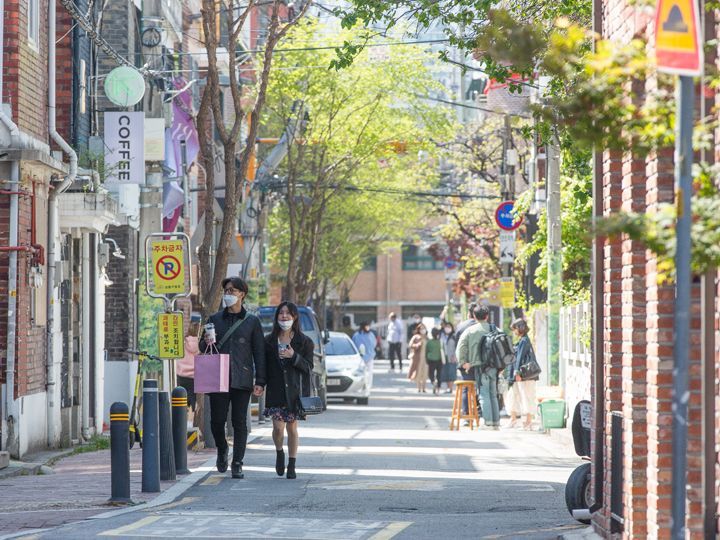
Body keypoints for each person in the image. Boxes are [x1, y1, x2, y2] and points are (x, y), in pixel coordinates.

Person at [201, 277, 265, 479]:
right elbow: (204, 350)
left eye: (233, 291)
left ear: (242, 295)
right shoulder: (214, 319)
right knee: (217, 421)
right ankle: (222, 449)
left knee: (239, 422)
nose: (228, 294)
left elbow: (259, 353)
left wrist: (260, 381)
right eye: (226, 290)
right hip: (217, 377)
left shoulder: (252, 322)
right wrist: (205, 341)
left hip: (242, 377)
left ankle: (237, 462)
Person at [263, 301, 314, 479]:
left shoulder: (304, 342)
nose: (284, 316)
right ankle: (279, 452)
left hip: (294, 393)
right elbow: (263, 367)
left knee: (292, 429)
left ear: (295, 317)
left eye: (288, 314)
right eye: (281, 313)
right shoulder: (269, 341)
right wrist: (260, 383)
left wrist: (294, 357)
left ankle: (292, 464)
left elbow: (309, 367)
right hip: (275, 391)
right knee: (278, 428)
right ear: (277, 317)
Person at [457, 305, 500, 429]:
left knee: (484, 394)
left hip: (479, 366)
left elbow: (460, 348)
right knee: (493, 394)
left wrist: (464, 362)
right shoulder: (495, 329)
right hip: (494, 367)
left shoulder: (470, 331)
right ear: (487, 316)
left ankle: (488, 422)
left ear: (474, 317)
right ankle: (496, 422)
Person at [508, 319, 539, 430]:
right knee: (521, 395)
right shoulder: (524, 340)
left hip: (524, 375)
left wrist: (517, 372)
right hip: (524, 375)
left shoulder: (524, 341)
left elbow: (520, 357)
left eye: (515, 329)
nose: (514, 332)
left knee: (527, 396)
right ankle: (523, 421)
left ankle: (528, 422)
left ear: (520, 328)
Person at [454, 303, 477, 416]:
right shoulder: (484, 326)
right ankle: (480, 412)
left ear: (469, 313)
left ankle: (466, 412)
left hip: (464, 363)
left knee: (466, 388)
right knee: (482, 387)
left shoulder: (461, 326)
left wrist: (461, 361)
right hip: (480, 363)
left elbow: (456, 346)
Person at [177, 318, 200, 413]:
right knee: (194, 400)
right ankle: (193, 420)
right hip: (195, 377)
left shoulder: (183, 341)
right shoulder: (200, 343)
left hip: (181, 375)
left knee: (181, 401)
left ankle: (182, 422)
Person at [352, 322, 376, 389]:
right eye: (366, 326)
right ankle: (362, 385)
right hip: (360, 357)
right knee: (362, 372)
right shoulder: (357, 335)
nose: (368, 328)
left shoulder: (371, 334)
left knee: (369, 372)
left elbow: (374, 343)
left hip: (369, 356)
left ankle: (368, 385)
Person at [407, 323, 429, 393]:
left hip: (426, 358)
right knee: (418, 372)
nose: (423, 330)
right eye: (421, 329)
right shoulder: (415, 337)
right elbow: (410, 345)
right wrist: (417, 345)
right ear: (418, 329)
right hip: (418, 357)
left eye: (424, 328)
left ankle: (424, 388)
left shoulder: (427, 337)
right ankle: (419, 388)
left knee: (425, 372)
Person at [440, 321, 458, 394]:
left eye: (449, 327)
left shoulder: (454, 336)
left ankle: (450, 388)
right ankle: (448, 388)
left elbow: (457, 347)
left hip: (452, 357)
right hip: (444, 357)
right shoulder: (442, 336)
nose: (447, 328)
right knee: (445, 373)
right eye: (446, 327)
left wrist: (455, 356)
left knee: (451, 373)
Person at [425, 328, 443, 394]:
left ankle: (433, 382)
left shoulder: (429, 342)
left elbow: (426, 352)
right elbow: (443, 352)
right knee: (439, 375)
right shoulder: (440, 342)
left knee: (431, 374)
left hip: (431, 360)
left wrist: (426, 359)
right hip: (439, 360)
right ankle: (438, 389)